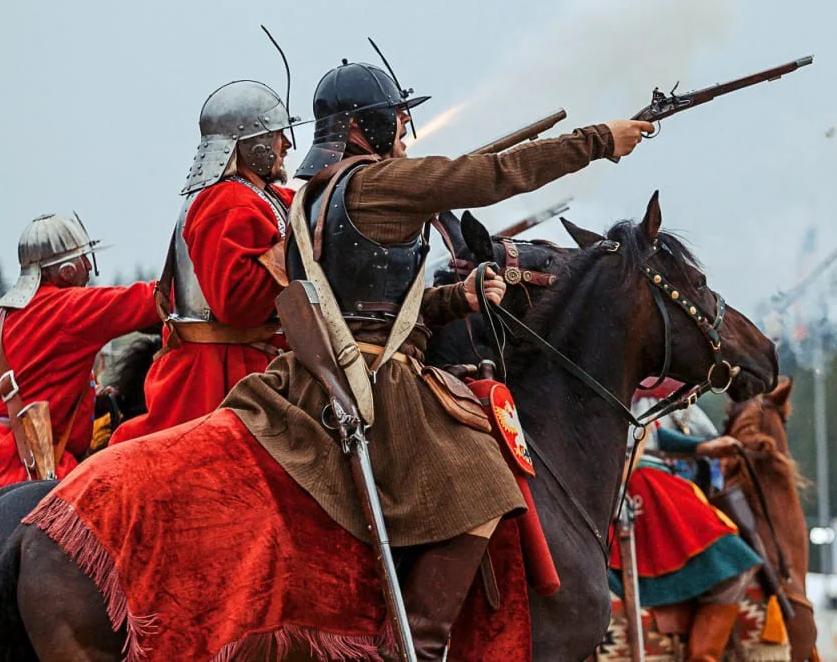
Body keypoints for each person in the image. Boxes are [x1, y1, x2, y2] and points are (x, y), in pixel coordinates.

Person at [221, 55, 652, 658]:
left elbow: (368, 307)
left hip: (317, 372)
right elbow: (495, 174)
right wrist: (599, 140)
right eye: (395, 119)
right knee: (485, 478)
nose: (403, 130)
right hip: (377, 380)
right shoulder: (377, 182)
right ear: (360, 126)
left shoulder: (312, 196)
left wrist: (458, 298)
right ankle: (420, 645)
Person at [108, 80, 299, 445]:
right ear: (252, 143)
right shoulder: (228, 200)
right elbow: (237, 303)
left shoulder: (261, 196)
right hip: (221, 377)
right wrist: (295, 247)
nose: (286, 145)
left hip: (245, 366)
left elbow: (307, 206)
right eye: (277, 135)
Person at [0, 213, 158, 485]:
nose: (88, 266)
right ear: (66, 270)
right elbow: (151, 300)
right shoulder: (69, 308)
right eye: (82, 258)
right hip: (31, 467)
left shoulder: (6, 316)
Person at [608, 389, 763, 662]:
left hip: (638, 481)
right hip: (646, 484)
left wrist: (702, 448)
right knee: (734, 560)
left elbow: (655, 435)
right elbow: (641, 437)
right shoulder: (620, 385)